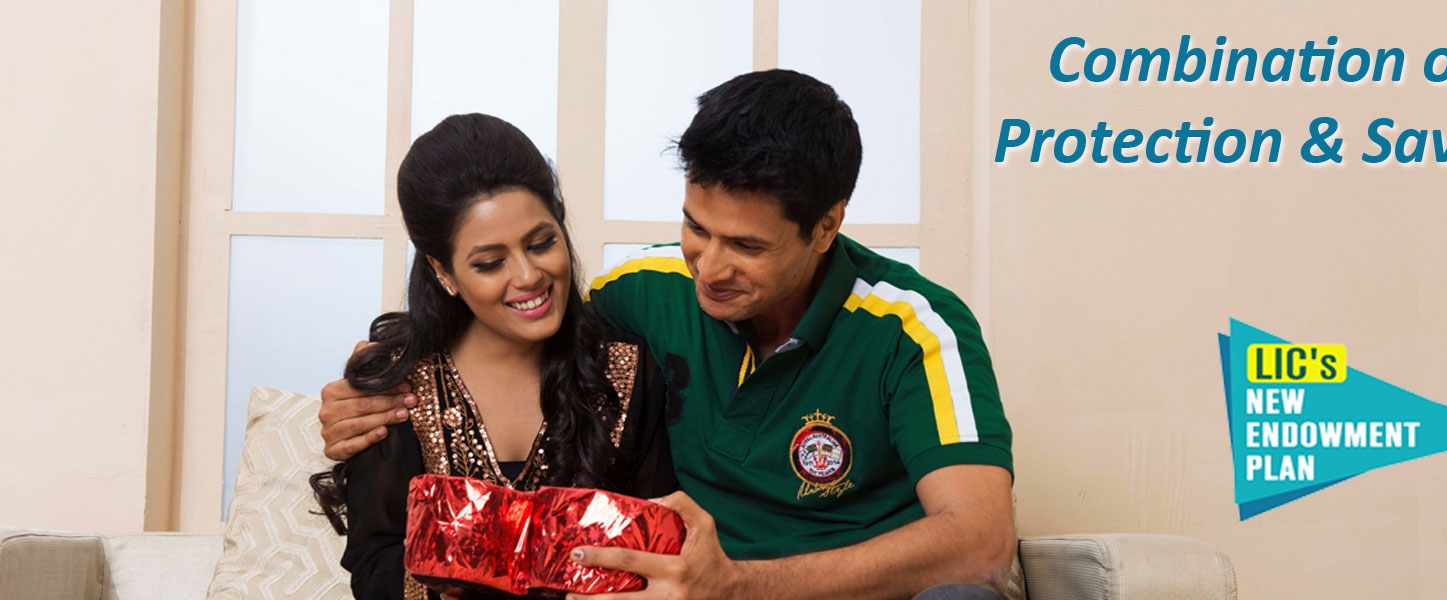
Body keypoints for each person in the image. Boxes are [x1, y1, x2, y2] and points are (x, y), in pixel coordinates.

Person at [319, 70, 1016, 600]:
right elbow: (523, 322)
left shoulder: (916, 329)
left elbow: (981, 545)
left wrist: (738, 585)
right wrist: (380, 375)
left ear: (826, 226)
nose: (708, 268)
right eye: (695, 227)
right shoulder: (649, 292)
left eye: (746, 246)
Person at [310, 113, 677, 600]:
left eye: (542, 243)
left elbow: (655, 550)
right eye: (490, 263)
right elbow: (374, 566)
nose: (528, 276)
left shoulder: (625, 370)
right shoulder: (400, 386)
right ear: (443, 272)